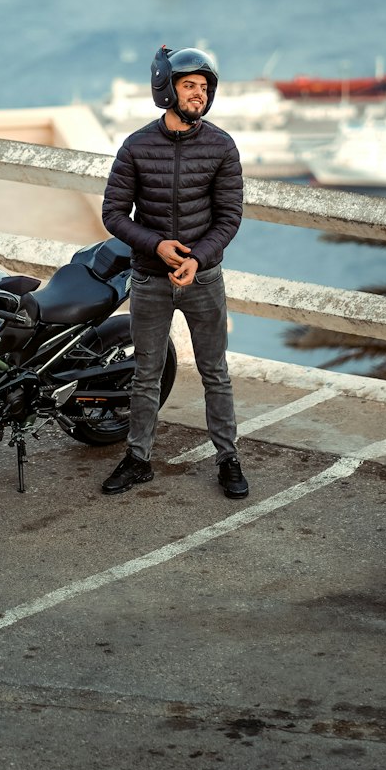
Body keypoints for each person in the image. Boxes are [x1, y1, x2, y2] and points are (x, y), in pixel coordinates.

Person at [100, 44, 248, 499]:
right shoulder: (137, 146)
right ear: (167, 90)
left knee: (214, 372)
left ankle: (228, 459)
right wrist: (157, 246)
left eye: (204, 88)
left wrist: (196, 258)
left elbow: (230, 216)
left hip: (204, 280)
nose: (198, 95)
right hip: (149, 278)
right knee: (146, 372)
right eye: (190, 86)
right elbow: (114, 214)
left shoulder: (222, 146)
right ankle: (137, 458)